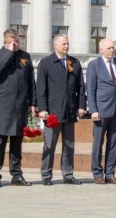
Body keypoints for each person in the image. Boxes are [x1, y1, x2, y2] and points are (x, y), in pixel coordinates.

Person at [36, 34, 87, 185]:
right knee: (50, 145)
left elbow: (80, 87)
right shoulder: (46, 63)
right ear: (55, 45)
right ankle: (46, 175)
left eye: (68, 44)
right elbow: (41, 89)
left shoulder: (74, 62)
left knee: (69, 144)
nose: (66, 46)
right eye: (64, 44)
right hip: (53, 112)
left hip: (70, 111)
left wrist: (81, 106)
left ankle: (68, 174)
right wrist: (43, 109)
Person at [0, 28, 35, 187]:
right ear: (5, 42)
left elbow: (31, 82)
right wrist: (8, 53)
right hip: (3, 106)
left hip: (20, 105)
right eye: (12, 42)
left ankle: (16, 174)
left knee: (17, 142)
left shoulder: (25, 56)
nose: (16, 45)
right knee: (0, 141)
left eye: (18, 42)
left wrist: (32, 103)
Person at [87, 39, 116, 184]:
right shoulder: (94, 65)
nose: (112, 50)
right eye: (109, 48)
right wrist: (93, 109)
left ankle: (110, 173)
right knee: (98, 143)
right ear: (101, 50)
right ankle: (97, 173)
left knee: (113, 143)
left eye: (113, 48)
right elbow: (91, 89)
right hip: (101, 110)